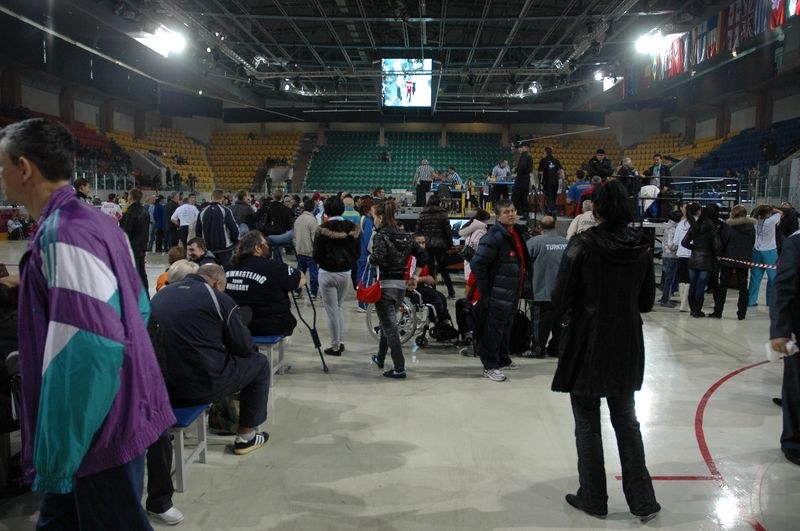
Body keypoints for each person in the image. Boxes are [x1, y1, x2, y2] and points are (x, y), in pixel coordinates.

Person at [0, 117, 175, 527]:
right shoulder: (94, 223)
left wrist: (62, 447)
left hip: (95, 429)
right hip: (109, 412)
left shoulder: (65, 234)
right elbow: (138, 307)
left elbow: (91, 346)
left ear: (24, 168)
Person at [550, 179, 660, 522]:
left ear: (595, 209)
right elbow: (646, 302)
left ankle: (593, 496)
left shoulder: (582, 245)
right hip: (626, 342)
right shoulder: (641, 246)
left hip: (587, 342)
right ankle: (643, 500)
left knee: (587, 423)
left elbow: (560, 297)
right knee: (626, 421)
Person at [149, 263, 270, 459]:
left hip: (160, 387)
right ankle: (246, 436)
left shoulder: (161, 295)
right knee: (260, 364)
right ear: (217, 283)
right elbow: (244, 347)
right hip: (201, 387)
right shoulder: (218, 299)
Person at [470, 199, 529, 382]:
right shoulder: (493, 237)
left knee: (505, 328)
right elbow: (477, 264)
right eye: (506, 212)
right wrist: (486, 292)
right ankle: (490, 366)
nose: (511, 214)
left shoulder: (515, 233)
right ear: (498, 216)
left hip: (511, 293)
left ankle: (502, 359)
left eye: (512, 210)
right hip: (497, 294)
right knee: (493, 331)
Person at [369, 201, 428, 378]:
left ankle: (399, 368)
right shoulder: (406, 235)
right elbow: (423, 255)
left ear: (380, 217)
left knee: (390, 328)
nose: (373, 221)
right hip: (400, 287)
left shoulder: (380, 236)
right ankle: (380, 357)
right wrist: (415, 277)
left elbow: (378, 258)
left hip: (385, 287)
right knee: (387, 323)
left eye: (374, 217)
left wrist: (370, 258)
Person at [225, 231, 304, 337]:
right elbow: (300, 281)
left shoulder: (229, 267)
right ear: (258, 248)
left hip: (237, 324)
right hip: (270, 325)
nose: (268, 247)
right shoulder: (273, 267)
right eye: (265, 244)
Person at [313, 196, 361, 356]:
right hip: (345, 273)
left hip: (327, 273)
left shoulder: (322, 229)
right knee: (338, 308)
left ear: (326, 211)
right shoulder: (352, 227)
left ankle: (335, 346)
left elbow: (317, 254)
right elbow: (357, 252)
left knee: (331, 310)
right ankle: (340, 341)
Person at [769, 231, 800, 466]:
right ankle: (793, 442)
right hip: (798, 331)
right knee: (796, 387)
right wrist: (779, 330)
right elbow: (782, 288)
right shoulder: (796, 243)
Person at [525, 215, 567, 358]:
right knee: (560, 324)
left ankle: (537, 349)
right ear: (555, 226)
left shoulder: (534, 242)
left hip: (541, 292)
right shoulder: (566, 243)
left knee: (540, 325)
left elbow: (524, 262)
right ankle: (556, 349)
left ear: (540, 227)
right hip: (562, 293)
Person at [712, 205, 756, 319]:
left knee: (723, 286)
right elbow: (752, 243)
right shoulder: (751, 227)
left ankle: (718, 311)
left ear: (733, 214)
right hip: (744, 259)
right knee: (743, 287)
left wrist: (720, 255)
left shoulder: (728, 227)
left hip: (728, 259)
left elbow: (723, 242)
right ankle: (742, 313)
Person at [681, 204, 722, 318]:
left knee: (692, 285)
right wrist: (717, 254)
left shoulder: (695, 225)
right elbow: (717, 245)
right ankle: (697, 311)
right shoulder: (712, 226)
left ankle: (692, 310)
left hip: (693, 259)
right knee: (700, 286)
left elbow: (684, 242)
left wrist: (694, 248)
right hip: (706, 260)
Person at [418, 196, 455, 298]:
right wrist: (450, 245)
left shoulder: (423, 214)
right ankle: (451, 292)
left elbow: (418, 230)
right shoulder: (443, 214)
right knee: (443, 269)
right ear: (439, 203)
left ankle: (433, 292)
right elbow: (448, 231)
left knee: (431, 270)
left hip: (427, 245)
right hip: (440, 245)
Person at [748, 205, 783, 307]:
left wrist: (761, 209)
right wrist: (772, 209)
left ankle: (751, 301)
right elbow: (780, 213)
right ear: (768, 213)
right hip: (770, 252)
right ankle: (771, 301)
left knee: (755, 278)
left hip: (756, 251)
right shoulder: (771, 221)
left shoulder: (754, 221)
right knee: (773, 278)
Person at [196, 189, 240, 266]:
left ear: (211, 197)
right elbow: (234, 229)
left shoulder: (202, 212)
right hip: (225, 249)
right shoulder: (226, 210)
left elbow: (198, 231)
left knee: (210, 271)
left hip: (208, 249)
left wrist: (201, 247)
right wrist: (236, 242)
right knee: (227, 271)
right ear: (222, 198)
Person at [120, 188, 152, 289]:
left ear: (130, 197)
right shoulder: (145, 211)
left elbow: (126, 231)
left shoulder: (130, 212)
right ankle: (145, 294)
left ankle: (136, 294)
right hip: (142, 245)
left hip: (132, 246)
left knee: (134, 272)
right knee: (142, 273)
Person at [254, 190, 294, 262]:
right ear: (282, 197)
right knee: (278, 255)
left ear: (273, 196)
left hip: (267, 232)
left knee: (266, 253)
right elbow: (289, 226)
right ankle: (277, 265)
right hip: (280, 234)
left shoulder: (267, 206)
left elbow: (257, 217)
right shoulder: (285, 209)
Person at [674, 202, 698, 312]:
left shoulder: (680, 224)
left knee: (682, 279)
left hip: (680, 254)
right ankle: (685, 303)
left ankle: (683, 304)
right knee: (690, 280)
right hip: (692, 254)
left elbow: (675, 241)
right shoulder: (697, 223)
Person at [293, 198, 320, 299]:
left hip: (299, 250)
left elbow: (294, 236)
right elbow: (315, 238)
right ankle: (313, 292)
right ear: (313, 208)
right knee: (313, 273)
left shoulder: (298, 219)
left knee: (300, 273)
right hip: (310, 251)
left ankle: (297, 291)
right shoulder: (312, 220)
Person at [659, 210, 682, 308]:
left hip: (667, 255)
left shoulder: (669, 226)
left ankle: (665, 298)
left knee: (667, 279)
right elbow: (671, 245)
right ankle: (665, 300)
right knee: (669, 279)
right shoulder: (672, 229)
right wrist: (680, 245)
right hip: (670, 256)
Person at [458, 209, 490, 279]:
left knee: (469, 280)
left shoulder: (470, 228)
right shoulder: (481, 231)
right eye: (487, 219)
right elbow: (479, 247)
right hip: (476, 261)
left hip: (468, 258)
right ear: (483, 219)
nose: (488, 222)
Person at [356, 198, 375, 312]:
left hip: (361, 254)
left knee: (361, 279)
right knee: (366, 280)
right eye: (373, 208)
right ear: (368, 209)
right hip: (366, 255)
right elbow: (369, 241)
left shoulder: (361, 218)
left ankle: (362, 302)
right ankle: (363, 304)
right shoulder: (367, 221)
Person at [538, 147, 562, 216]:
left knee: (548, 198)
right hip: (555, 182)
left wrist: (539, 182)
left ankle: (553, 210)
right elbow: (560, 171)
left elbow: (540, 173)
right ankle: (550, 213)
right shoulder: (556, 160)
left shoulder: (543, 160)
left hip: (547, 182)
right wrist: (561, 179)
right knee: (553, 197)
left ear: (545, 152)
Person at [512, 142, 533, 219]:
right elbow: (529, 169)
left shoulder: (524, 156)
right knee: (524, 197)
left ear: (524, 147)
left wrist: (515, 169)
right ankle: (525, 214)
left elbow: (522, 168)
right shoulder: (529, 156)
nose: (519, 150)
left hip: (521, 179)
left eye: (520, 148)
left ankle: (510, 213)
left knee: (515, 197)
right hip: (526, 179)